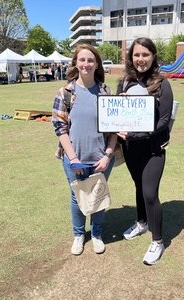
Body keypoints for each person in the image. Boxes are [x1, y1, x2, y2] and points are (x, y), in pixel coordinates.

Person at [52, 44, 117, 256]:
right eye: (82, 60)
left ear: (97, 64)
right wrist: (74, 159)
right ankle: (79, 235)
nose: (86, 64)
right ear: (76, 63)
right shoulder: (65, 93)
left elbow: (114, 129)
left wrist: (108, 156)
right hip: (74, 159)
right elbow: (60, 128)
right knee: (76, 197)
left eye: (90, 60)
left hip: (100, 159)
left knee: (98, 196)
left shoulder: (106, 92)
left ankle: (96, 234)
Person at [116, 37, 173, 265]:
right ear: (131, 57)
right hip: (130, 148)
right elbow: (117, 114)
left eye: (145, 55)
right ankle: (142, 222)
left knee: (150, 193)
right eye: (137, 55)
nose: (141, 59)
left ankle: (157, 241)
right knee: (139, 187)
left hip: (153, 149)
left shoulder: (161, 84)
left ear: (153, 56)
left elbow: (164, 121)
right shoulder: (124, 82)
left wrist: (138, 134)